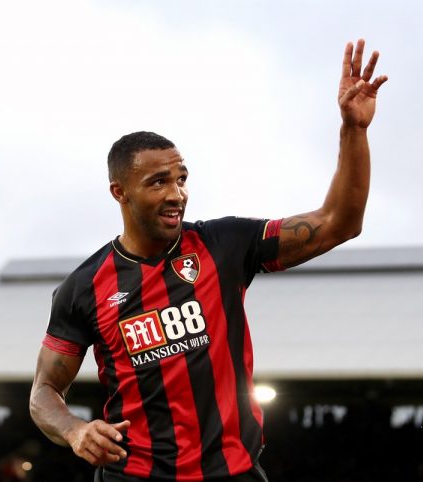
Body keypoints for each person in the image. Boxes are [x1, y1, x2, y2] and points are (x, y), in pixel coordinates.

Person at [30, 39, 388, 482]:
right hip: (135, 475)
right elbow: (44, 391)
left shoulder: (225, 244)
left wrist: (354, 130)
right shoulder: (83, 287)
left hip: (233, 472)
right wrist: (74, 429)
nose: (176, 194)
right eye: (158, 182)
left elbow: (339, 223)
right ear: (119, 192)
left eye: (181, 178)